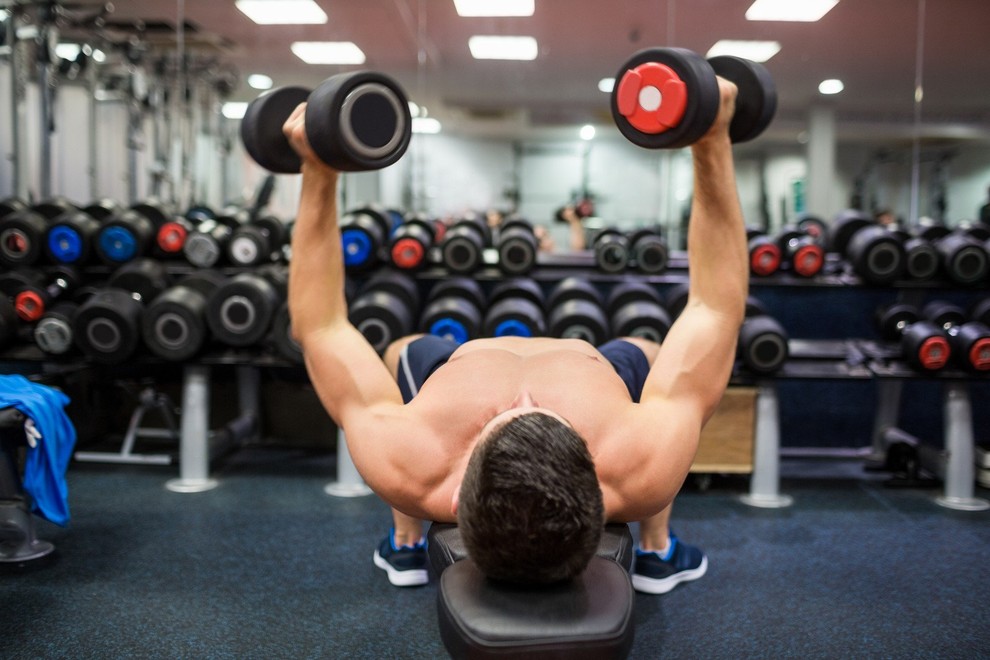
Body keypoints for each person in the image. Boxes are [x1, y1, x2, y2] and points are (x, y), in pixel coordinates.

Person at [283, 77, 746, 594]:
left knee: (398, 354)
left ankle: (407, 540)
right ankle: (658, 551)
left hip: (450, 377)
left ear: (455, 499)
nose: (523, 396)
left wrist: (318, 172)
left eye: (502, 419)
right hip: (602, 373)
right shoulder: (639, 465)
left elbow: (320, 324)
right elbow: (713, 309)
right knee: (655, 360)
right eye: (542, 411)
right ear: (598, 488)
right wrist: (711, 144)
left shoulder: (408, 464)